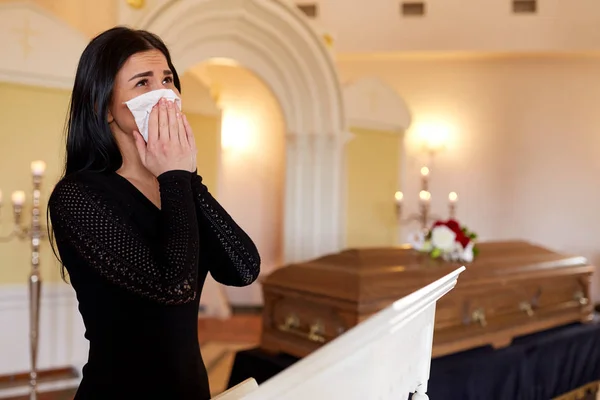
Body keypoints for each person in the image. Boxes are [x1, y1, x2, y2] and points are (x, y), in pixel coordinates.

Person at [47, 26, 261, 399]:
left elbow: (243, 269)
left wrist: (185, 178)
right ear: (103, 106)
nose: (163, 93)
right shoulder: (78, 195)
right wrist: (176, 175)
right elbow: (171, 289)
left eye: (167, 79)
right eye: (143, 83)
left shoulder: (175, 185)